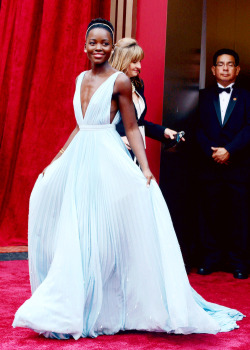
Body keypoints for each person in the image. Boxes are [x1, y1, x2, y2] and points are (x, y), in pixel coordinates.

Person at [13, 19, 243, 340]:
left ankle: (107, 304)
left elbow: (134, 127)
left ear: (111, 48)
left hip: (109, 160)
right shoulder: (80, 79)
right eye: (92, 42)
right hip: (82, 160)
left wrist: (145, 168)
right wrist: (56, 161)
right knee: (79, 232)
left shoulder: (120, 81)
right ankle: (76, 304)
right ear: (85, 46)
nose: (98, 48)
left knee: (105, 231)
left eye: (104, 43)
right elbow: (80, 127)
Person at [196, 49, 250, 279]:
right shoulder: (202, 96)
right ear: (213, 69)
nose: (225, 68)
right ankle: (211, 259)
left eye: (230, 65)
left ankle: (238, 262)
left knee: (239, 216)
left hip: (238, 167)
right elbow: (197, 128)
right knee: (210, 214)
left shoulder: (247, 96)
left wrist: (229, 150)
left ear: (237, 69)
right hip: (210, 167)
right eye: (220, 64)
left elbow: (249, 128)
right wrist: (214, 153)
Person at [109, 38, 182, 162]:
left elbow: (138, 123)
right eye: (134, 61)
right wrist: (116, 138)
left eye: (140, 61)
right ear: (123, 59)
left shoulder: (138, 84)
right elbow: (96, 123)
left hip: (136, 153)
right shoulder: (108, 86)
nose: (139, 66)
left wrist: (163, 132)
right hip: (115, 152)